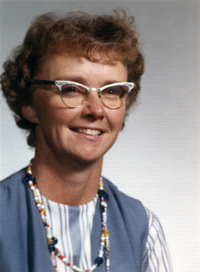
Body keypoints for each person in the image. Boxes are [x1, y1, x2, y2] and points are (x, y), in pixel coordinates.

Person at [0, 9, 173, 272]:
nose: (96, 110)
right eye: (71, 89)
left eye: (112, 91)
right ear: (30, 105)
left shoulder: (144, 229)